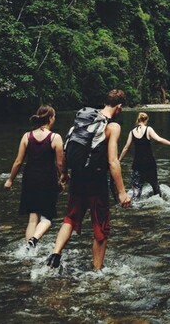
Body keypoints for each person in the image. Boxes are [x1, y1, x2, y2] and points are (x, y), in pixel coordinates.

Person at [46, 89, 131, 271]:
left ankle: (55, 253)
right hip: (96, 182)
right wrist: (122, 192)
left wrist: (64, 174)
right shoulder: (112, 127)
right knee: (101, 226)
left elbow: (66, 150)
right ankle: (97, 271)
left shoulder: (83, 121)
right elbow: (113, 161)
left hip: (77, 178)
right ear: (119, 107)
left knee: (70, 218)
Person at [4, 105, 64, 250]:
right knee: (47, 217)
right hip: (47, 179)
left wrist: (10, 180)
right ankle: (34, 239)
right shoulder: (55, 137)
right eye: (54, 117)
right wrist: (62, 178)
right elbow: (60, 163)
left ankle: (29, 251)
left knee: (32, 218)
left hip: (29, 178)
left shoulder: (27, 136)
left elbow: (18, 162)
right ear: (51, 118)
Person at [119, 112, 170, 200]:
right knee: (155, 187)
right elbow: (159, 139)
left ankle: (134, 206)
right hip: (149, 163)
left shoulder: (132, 132)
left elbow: (126, 148)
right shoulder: (148, 129)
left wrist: (119, 160)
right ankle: (158, 204)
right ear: (146, 120)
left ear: (138, 120)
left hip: (137, 164)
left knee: (136, 191)